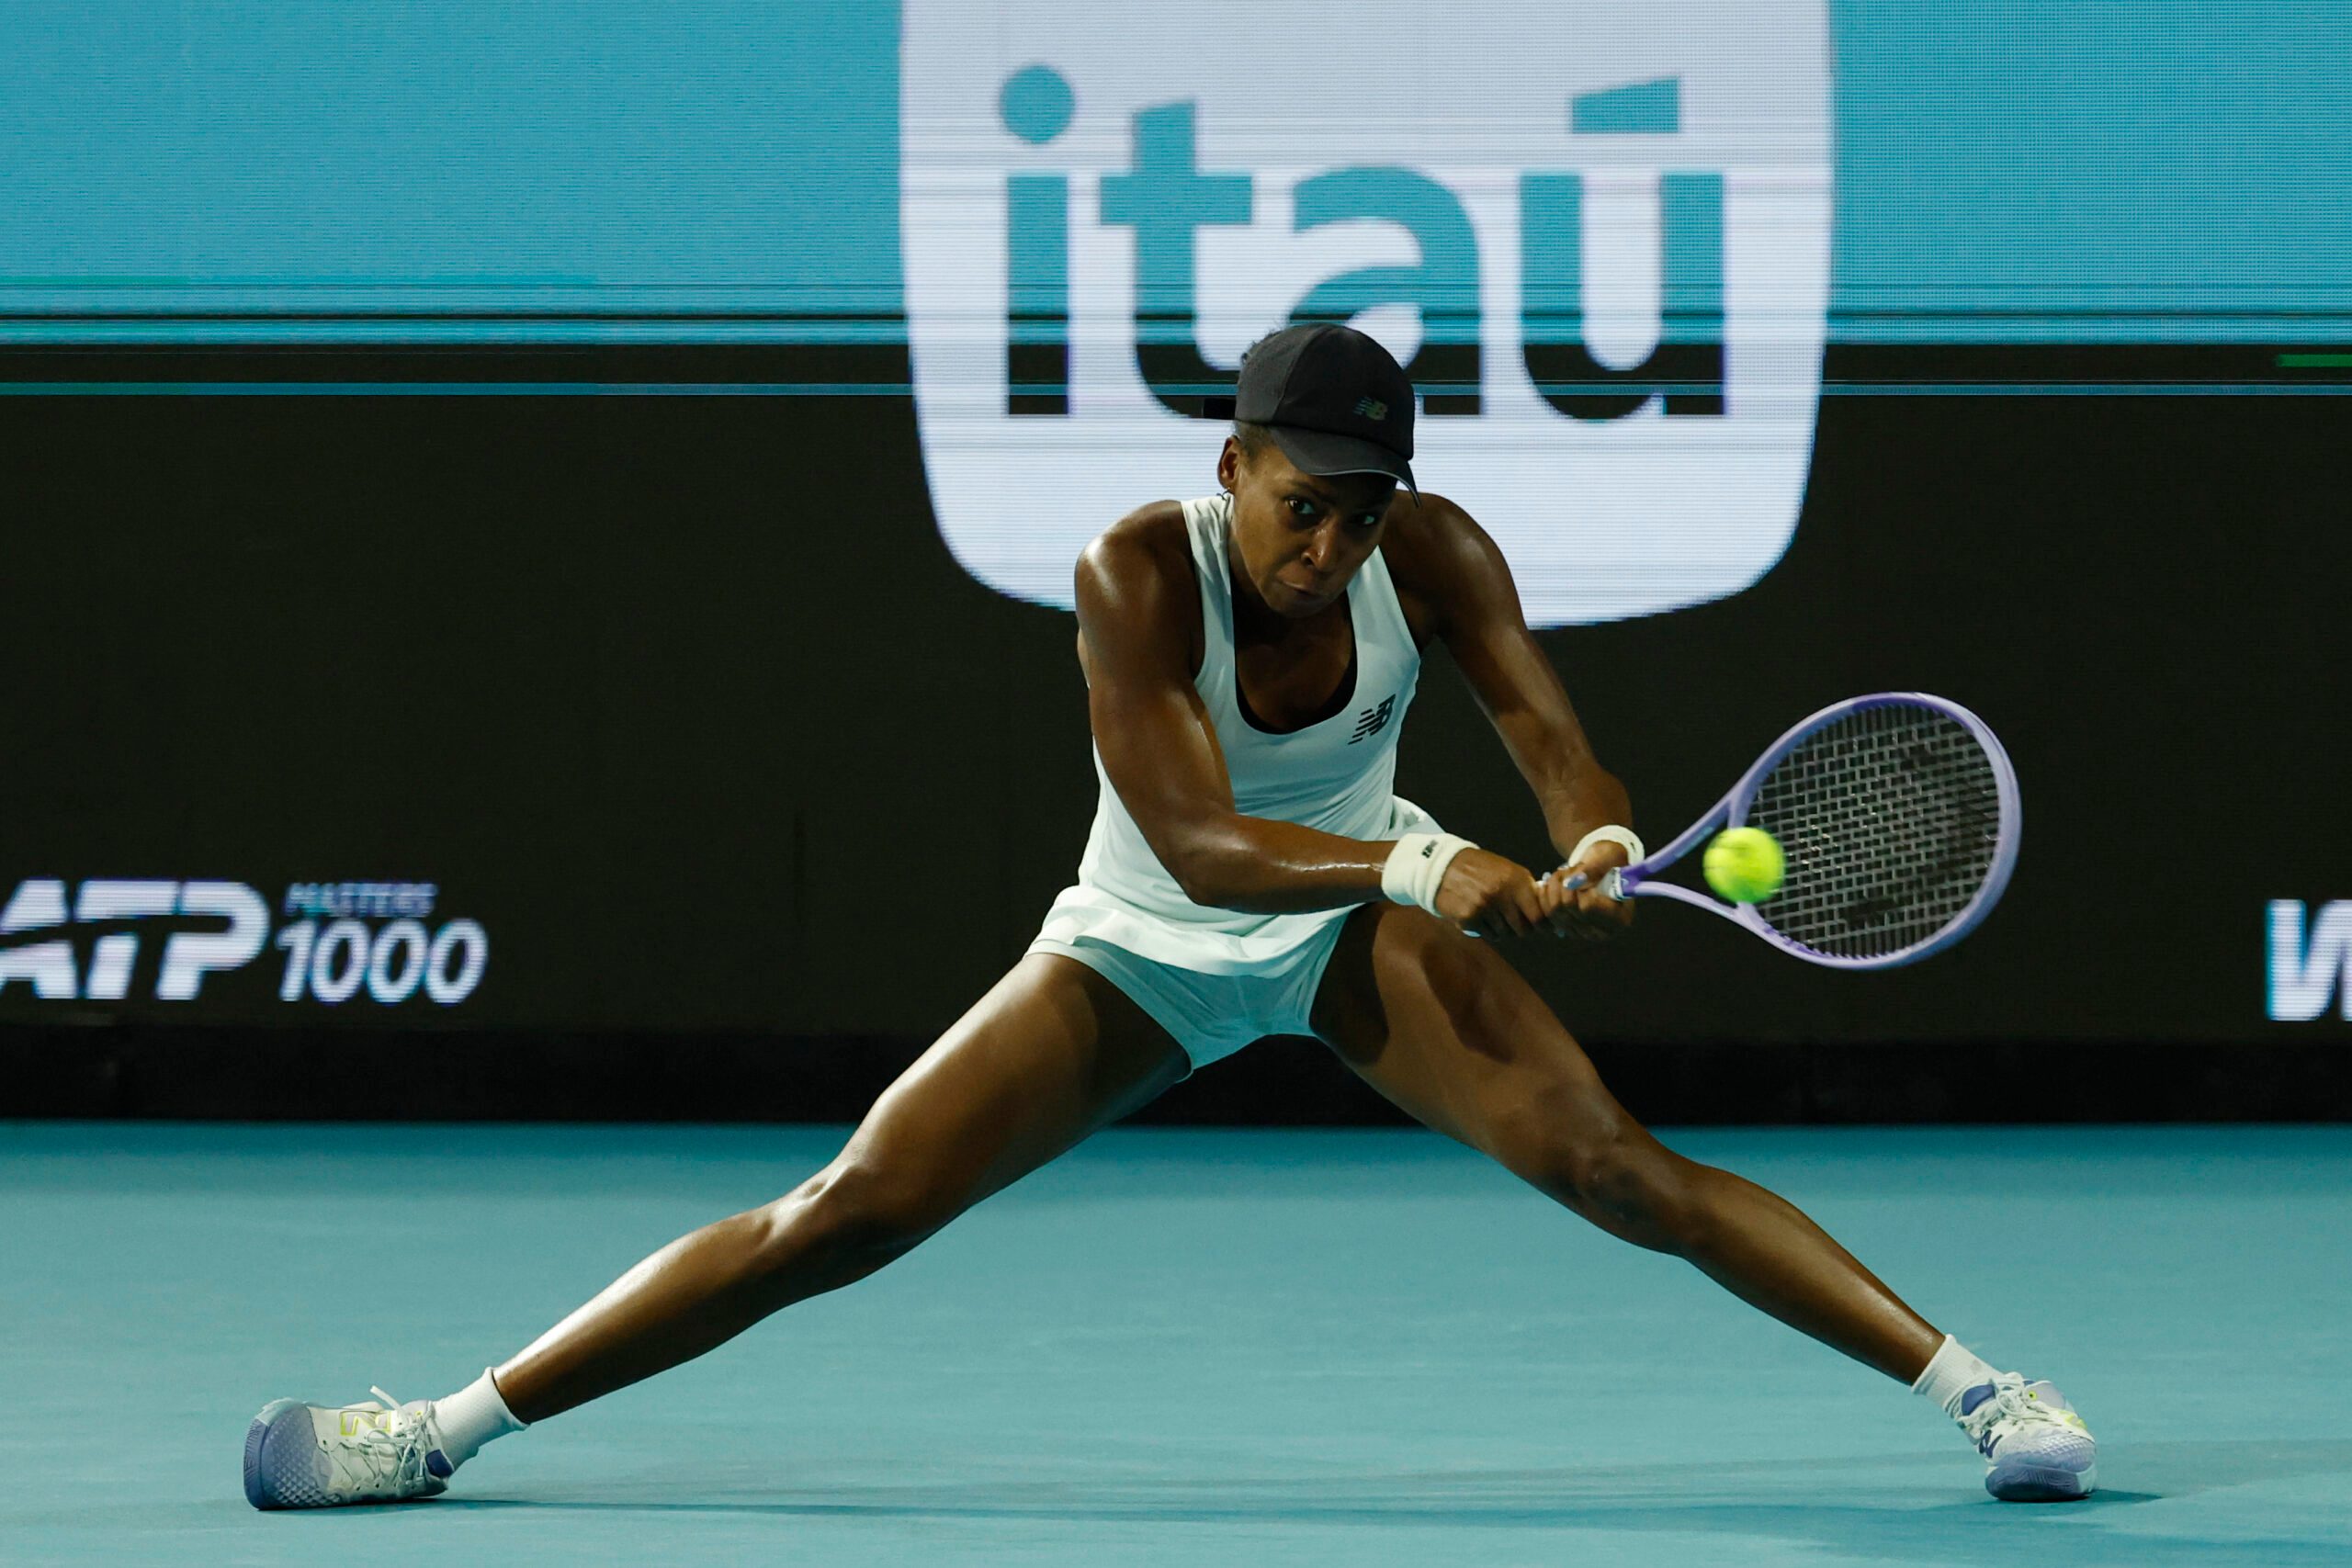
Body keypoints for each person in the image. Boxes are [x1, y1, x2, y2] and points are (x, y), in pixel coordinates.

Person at [243, 323, 2096, 1510]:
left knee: (1622, 1171)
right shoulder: (1132, 572)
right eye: (1304, 504)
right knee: (844, 1211)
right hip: (1142, 941)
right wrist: (1418, 866)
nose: (1330, 547)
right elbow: (1198, 843)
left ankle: (1982, 1390)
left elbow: (1549, 738)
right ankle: (436, 1431)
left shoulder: (1429, 555)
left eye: (1361, 513)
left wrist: (1594, 836)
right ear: (1232, 465)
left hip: (1349, 939)